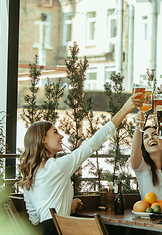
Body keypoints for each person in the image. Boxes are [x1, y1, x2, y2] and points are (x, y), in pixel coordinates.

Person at [18, 93, 143, 235]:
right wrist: (126, 109)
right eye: (55, 132)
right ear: (43, 140)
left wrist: (66, 208)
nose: (61, 136)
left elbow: (35, 219)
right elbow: (92, 144)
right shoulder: (56, 167)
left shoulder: (29, 175)